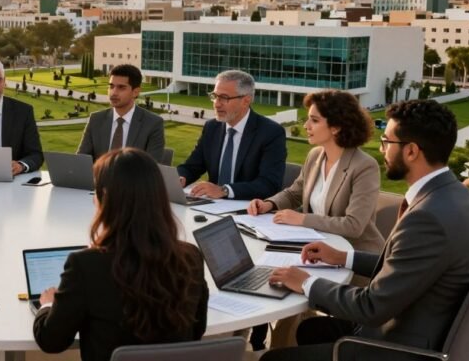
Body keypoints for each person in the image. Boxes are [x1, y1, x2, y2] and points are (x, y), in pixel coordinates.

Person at [262, 100, 469, 361]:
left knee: (273, 359)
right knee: (311, 329)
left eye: (386, 141)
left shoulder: (427, 219)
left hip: (401, 347)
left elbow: (370, 307)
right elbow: (406, 265)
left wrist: (306, 282)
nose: (382, 149)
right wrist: (343, 257)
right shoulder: (459, 196)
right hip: (421, 324)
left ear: (411, 151)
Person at [33, 149, 209, 361]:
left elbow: (51, 341)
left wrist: (48, 305)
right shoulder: (191, 257)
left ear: (105, 197)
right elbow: (196, 330)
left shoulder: (86, 265)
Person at [248, 90, 384, 252]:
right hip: (316, 247)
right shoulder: (315, 155)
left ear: (336, 127)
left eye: (314, 120)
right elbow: (294, 193)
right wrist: (268, 204)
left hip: (354, 254)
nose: (306, 125)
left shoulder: (364, 166)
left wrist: (302, 219)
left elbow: (353, 225)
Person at [177, 70, 286, 199]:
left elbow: (269, 184)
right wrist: (181, 177)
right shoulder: (212, 127)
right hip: (211, 205)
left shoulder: (271, 132)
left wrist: (225, 190)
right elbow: (192, 166)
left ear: (246, 101)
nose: (217, 104)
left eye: (224, 98)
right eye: (215, 96)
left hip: (248, 208)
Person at [77, 64, 165, 163]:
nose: (114, 92)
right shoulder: (96, 119)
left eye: (121, 87)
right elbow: (81, 161)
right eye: (111, 86)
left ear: (135, 92)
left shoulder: (153, 123)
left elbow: (151, 167)